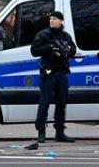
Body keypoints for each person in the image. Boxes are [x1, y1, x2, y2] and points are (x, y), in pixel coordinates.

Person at [30, 11, 77, 143]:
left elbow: (73, 50)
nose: (52, 21)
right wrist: (50, 47)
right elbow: (34, 50)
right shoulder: (44, 34)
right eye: (51, 19)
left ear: (61, 21)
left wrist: (65, 48)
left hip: (62, 73)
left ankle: (60, 132)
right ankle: (41, 131)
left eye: (55, 19)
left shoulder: (65, 36)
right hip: (48, 73)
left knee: (61, 103)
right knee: (44, 102)